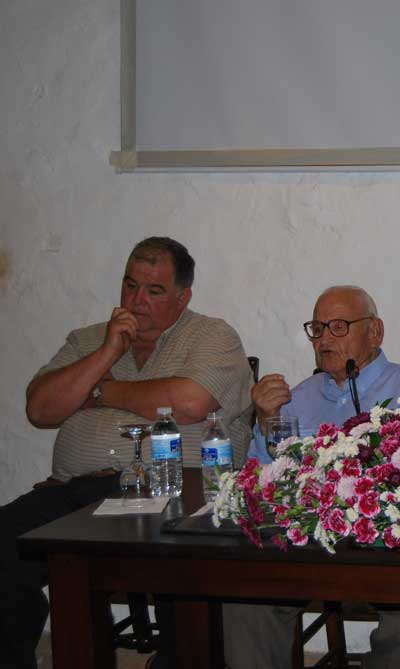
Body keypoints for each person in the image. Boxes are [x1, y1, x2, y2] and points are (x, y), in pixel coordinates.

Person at [3, 237, 253, 669]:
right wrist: (106, 354)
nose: (137, 301)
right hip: (77, 492)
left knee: (184, 565)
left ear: (182, 296)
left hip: (177, 492)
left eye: (154, 291)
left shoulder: (212, 335)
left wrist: (97, 392)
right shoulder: (87, 340)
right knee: (4, 541)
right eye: (130, 285)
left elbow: (191, 402)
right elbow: (41, 408)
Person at [225, 285, 400, 669]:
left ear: (374, 332)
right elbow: (260, 483)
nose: (324, 338)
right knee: (244, 600)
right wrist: (265, 423)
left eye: (339, 326)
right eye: (318, 328)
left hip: (389, 554)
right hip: (305, 551)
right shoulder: (296, 397)